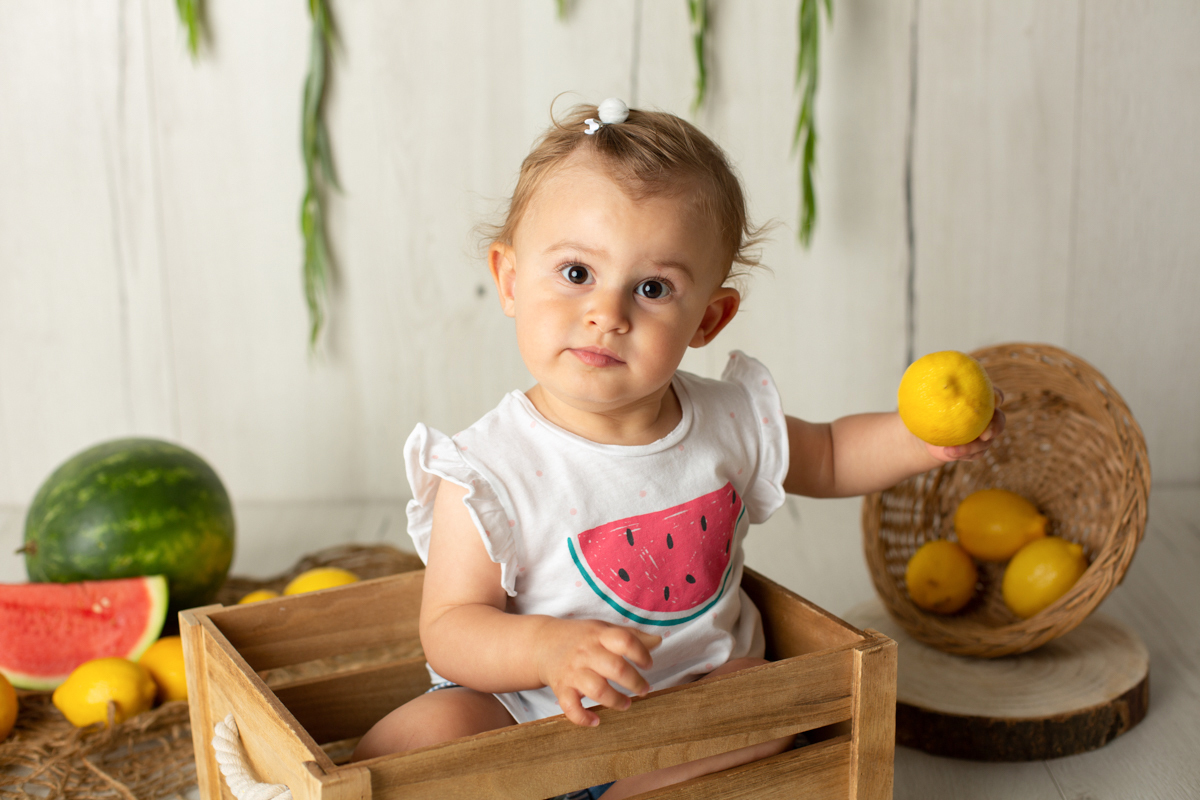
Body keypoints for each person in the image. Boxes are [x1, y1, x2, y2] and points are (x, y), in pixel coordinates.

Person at [349, 98, 1003, 799]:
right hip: (520, 709)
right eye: (576, 274)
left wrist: (917, 437)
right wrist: (547, 649)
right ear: (510, 279)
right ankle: (562, 779)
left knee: (770, 696)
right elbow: (450, 628)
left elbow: (836, 455)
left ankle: (612, 787)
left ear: (708, 319)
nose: (608, 314)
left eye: (653, 288)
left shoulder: (727, 418)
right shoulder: (485, 469)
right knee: (412, 739)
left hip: (693, 696)